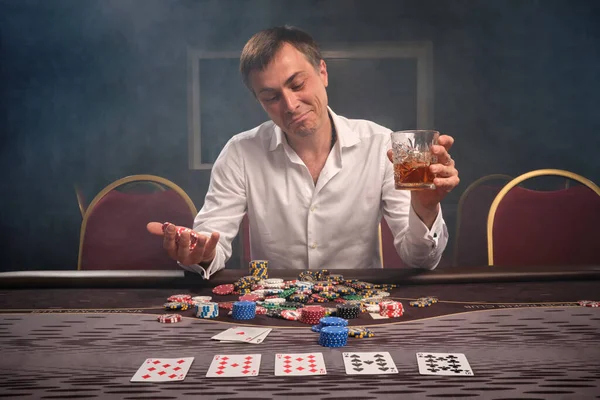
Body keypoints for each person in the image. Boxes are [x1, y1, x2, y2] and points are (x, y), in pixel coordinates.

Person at [147, 25, 459, 279]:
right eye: (271, 97)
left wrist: (425, 208)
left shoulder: (382, 144)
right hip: (273, 309)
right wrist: (200, 253)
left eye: (297, 84)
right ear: (259, 101)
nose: (290, 105)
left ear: (322, 72)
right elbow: (211, 239)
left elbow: (421, 260)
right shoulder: (240, 152)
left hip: (357, 307)